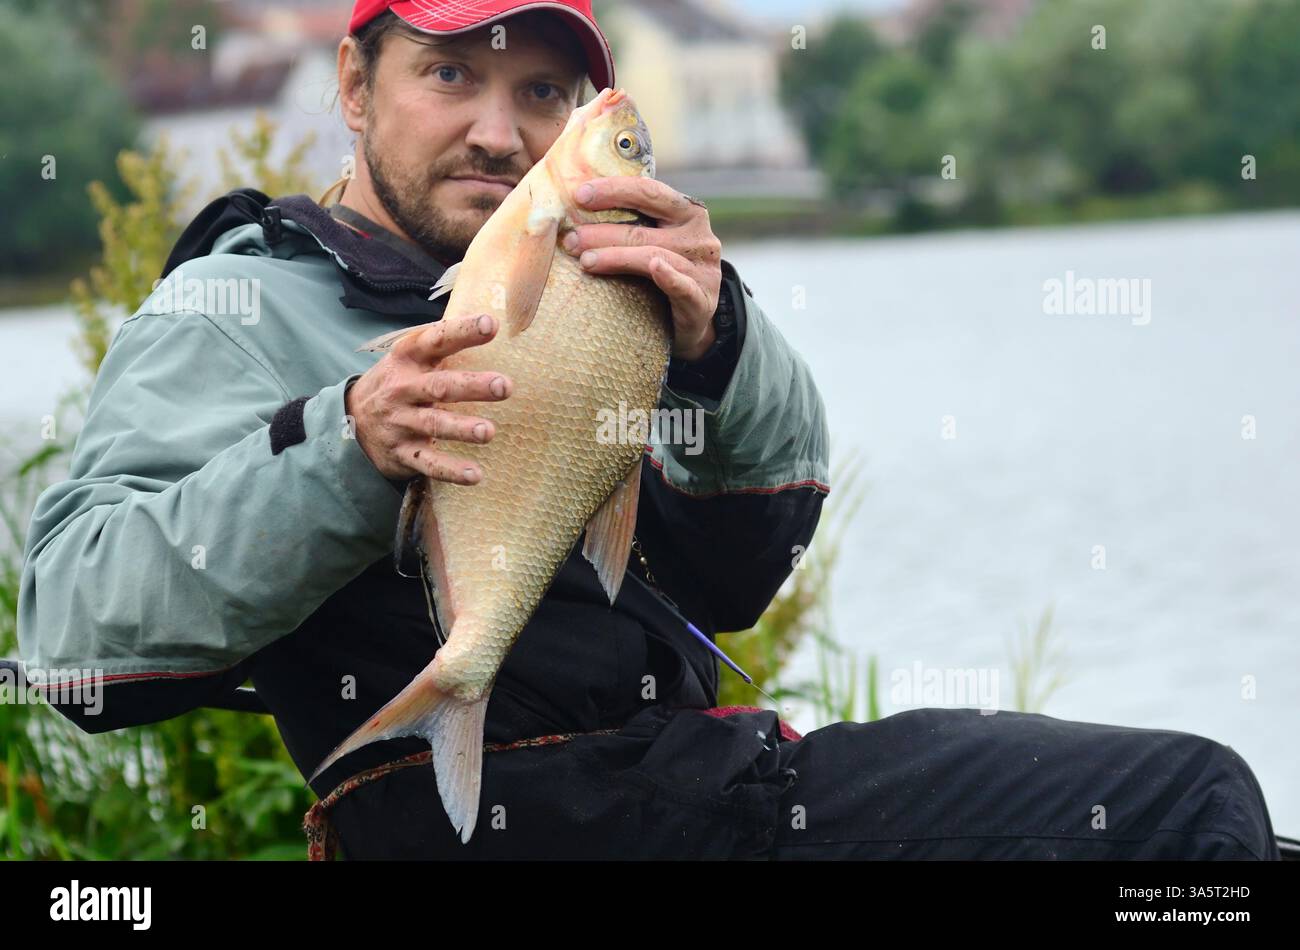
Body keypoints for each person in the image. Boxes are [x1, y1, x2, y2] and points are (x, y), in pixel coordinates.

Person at [18, 0, 1280, 860]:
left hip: (697, 786)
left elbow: (736, 572)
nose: (499, 133)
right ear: (353, 84)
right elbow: (73, 634)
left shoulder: (604, 265)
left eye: (542, 91)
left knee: (1198, 809)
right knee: (1184, 806)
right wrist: (346, 446)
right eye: (449, 74)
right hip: (501, 816)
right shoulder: (238, 306)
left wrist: (725, 343)